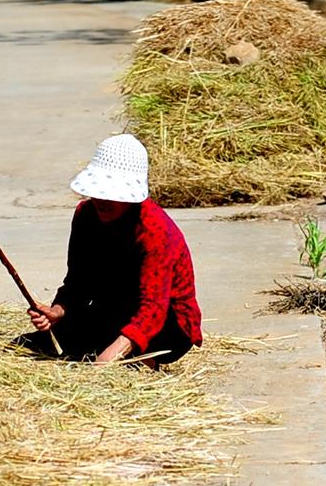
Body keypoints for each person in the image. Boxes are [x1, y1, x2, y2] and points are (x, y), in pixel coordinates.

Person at [20, 133, 202, 366]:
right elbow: (78, 282)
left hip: (166, 323)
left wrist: (110, 357)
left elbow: (153, 308)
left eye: (112, 194)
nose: (102, 201)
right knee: (29, 347)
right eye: (99, 192)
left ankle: (137, 358)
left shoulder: (155, 230)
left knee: (110, 354)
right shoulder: (85, 216)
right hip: (113, 310)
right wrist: (58, 311)